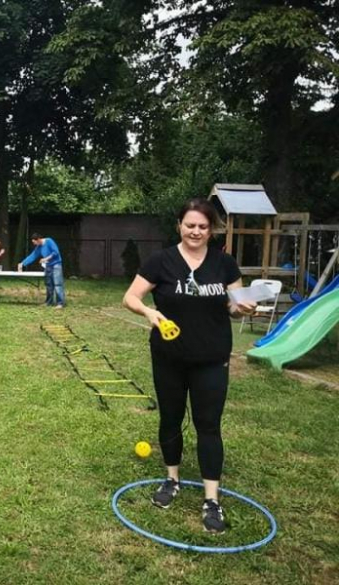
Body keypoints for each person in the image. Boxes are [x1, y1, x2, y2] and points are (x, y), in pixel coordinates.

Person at [122, 198, 256, 534]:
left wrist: (244, 309)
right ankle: (172, 479)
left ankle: (212, 499)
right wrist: (149, 313)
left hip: (212, 358)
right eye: (190, 225)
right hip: (168, 357)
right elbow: (131, 297)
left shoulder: (225, 264)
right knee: (170, 417)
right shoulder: (161, 261)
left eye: (203, 226)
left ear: (211, 230)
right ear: (179, 226)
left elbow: (233, 306)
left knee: (208, 424)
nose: (196, 231)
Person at [18, 233, 65, 308]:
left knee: (57, 284)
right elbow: (33, 256)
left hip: (56, 265)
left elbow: (56, 252)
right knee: (49, 285)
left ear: (39, 239)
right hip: (48, 266)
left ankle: (60, 303)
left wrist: (45, 259)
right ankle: (49, 302)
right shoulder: (39, 246)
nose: (34, 244)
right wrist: (22, 263)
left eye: (34, 242)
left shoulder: (49, 241)